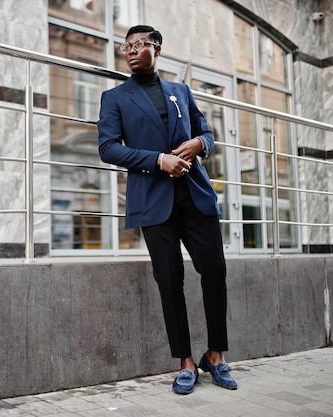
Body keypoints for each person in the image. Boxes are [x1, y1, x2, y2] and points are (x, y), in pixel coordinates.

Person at [97, 25, 237, 395]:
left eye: (139, 45)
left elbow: (208, 133)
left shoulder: (181, 92)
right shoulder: (114, 98)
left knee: (215, 273)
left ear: (156, 49)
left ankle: (216, 356)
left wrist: (198, 144)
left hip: (196, 196)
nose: (130, 51)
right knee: (170, 282)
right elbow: (108, 148)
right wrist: (158, 160)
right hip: (152, 202)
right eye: (126, 46)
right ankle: (185, 362)